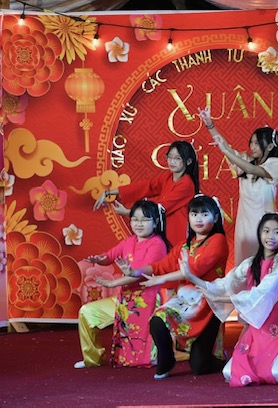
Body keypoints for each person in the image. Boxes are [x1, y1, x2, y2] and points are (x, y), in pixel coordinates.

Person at [181, 213, 278, 387]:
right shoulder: (250, 264)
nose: (270, 236)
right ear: (259, 233)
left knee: (276, 375)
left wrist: (219, 298)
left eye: (276, 232)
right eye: (266, 231)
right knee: (229, 373)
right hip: (257, 329)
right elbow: (224, 285)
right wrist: (191, 276)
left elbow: (259, 294)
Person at [121, 195, 228, 379]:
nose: (199, 219)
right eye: (194, 214)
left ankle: (221, 360)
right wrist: (135, 271)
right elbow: (160, 265)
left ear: (216, 217)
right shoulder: (185, 246)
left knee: (200, 367)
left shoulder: (218, 240)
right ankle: (166, 360)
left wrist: (160, 279)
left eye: (205, 214)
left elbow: (193, 270)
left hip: (209, 303)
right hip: (185, 301)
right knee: (158, 319)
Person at [74, 200, 170, 369]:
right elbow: (110, 256)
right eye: (135, 219)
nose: (139, 224)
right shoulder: (129, 241)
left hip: (146, 301)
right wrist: (100, 259)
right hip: (123, 300)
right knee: (87, 312)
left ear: (155, 222)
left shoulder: (158, 244)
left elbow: (142, 274)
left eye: (144, 220)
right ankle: (93, 358)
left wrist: (114, 283)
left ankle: (152, 355)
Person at [199, 107, 278, 266]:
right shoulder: (246, 161)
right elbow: (226, 147)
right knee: (243, 268)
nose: (252, 146)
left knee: (264, 266)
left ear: (269, 146)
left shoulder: (277, 164)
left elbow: (251, 169)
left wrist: (226, 151)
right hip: (244, 225)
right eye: (251, 142)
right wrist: (210, 124)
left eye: (257, 143)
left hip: (266, 225)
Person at [93, 140, 199, 249]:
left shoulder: (186, 184)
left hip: (175, 233)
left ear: (188, 161)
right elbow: (146, 187)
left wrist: (129, 212)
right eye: (170, 157)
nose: (172, 161)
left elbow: (160, 208)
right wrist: (109, 192)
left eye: (177, 158)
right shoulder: (168, 177)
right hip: (162, 230)